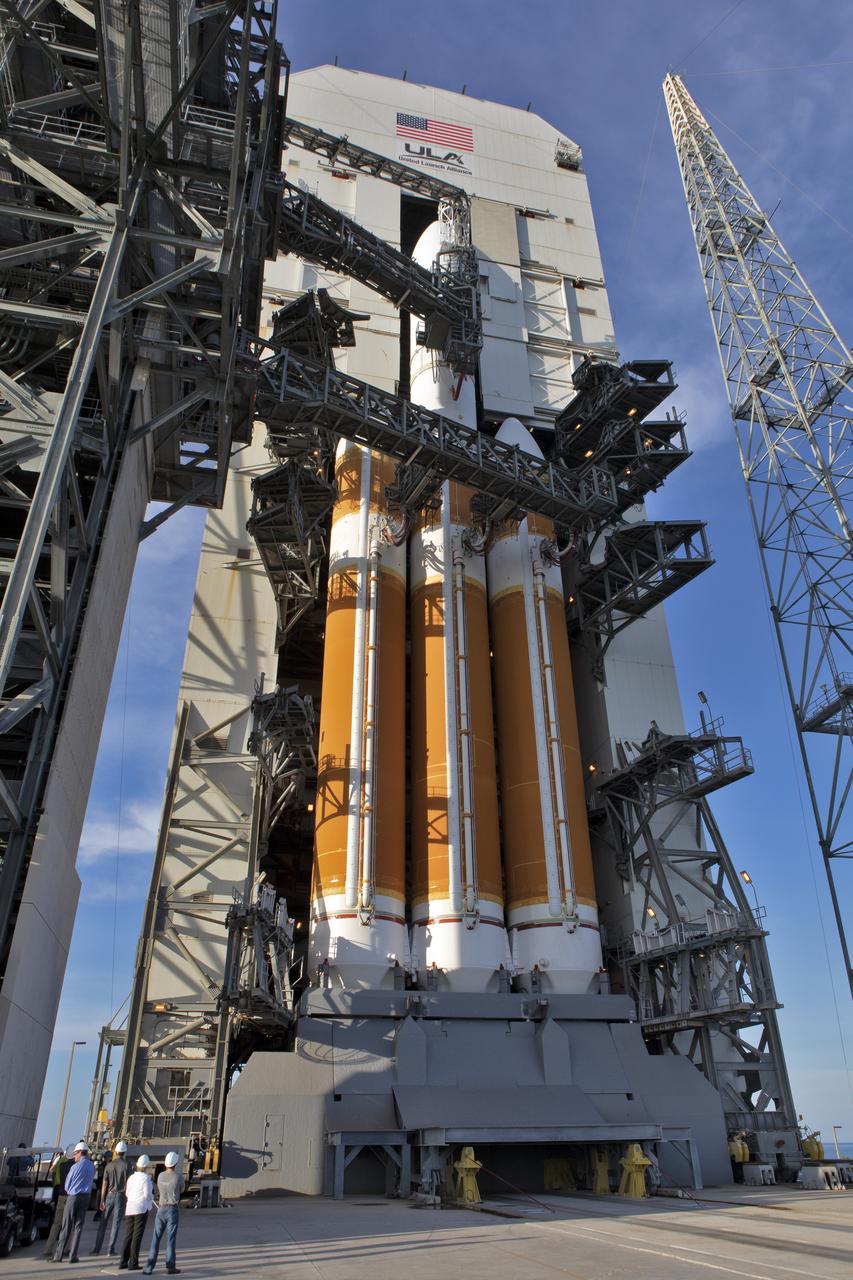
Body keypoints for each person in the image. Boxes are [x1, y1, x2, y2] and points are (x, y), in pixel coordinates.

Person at [51, 1140, 96, 1263]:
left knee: (66, 1227)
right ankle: (73, 1256)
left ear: (81, 1152)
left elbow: (67, 1185)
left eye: (75, 1153)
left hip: (73, 1197)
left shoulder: (75, 1167)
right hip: (85, 1198)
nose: (74, 1156)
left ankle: (58, 1256)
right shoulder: (92, 1166)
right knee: (78, 1227)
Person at [143, 1152, 184, 1275]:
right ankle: (171, 1266)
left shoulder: (160, 1176)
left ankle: (149, 1267)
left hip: (161, 1209)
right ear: (175, 1163)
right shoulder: (178, 1177)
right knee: (170, 1239)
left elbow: (158, 1189)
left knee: (156, 1238)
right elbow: (182, 1189)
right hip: (172, 1208)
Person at [90, 1140, 130, 1256]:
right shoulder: (127, 1165)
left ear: (116, 1152)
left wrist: (102, 1200)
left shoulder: (109, 1165)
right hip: (121, 1195)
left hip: (109, 1195)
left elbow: (104, 1184)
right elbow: (128, 1183)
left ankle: (96, 1249)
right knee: (115, 1224)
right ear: (124, 1152)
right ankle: (110, 1250)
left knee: (103, 1223)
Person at [119, 1154, 154, 1271]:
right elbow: (147, 1194)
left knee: (128, 1234)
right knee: (137, 1236)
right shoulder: (146, 1179)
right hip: (141, 1208)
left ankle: (123, 1261)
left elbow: (127, 1193)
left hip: (130, 1208)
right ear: (146, 1167)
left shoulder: (131, 1178)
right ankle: (133, 1262)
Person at [43, 1147, 74, 1259]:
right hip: (70, 1196)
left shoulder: (61, 1165)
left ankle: (47, 1249)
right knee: (69, 1223)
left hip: (61, 1194)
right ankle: (66, 1249)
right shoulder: (74, 1167)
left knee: (56, 1223)